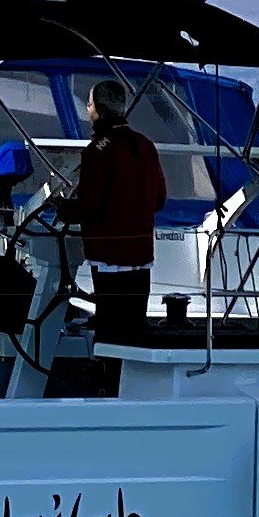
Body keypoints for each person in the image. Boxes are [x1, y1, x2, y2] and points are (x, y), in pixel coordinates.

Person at [63, 74, 166, 339]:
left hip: (109, 254)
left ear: (98, 108)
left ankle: (107, 374)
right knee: (134, 327)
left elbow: (90, 204)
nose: (87, 111)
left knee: (110, 328)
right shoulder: (146, 145)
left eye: (89, 105)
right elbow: (159, 199)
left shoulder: (98, 151)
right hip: (141, 253)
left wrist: (64, 209)